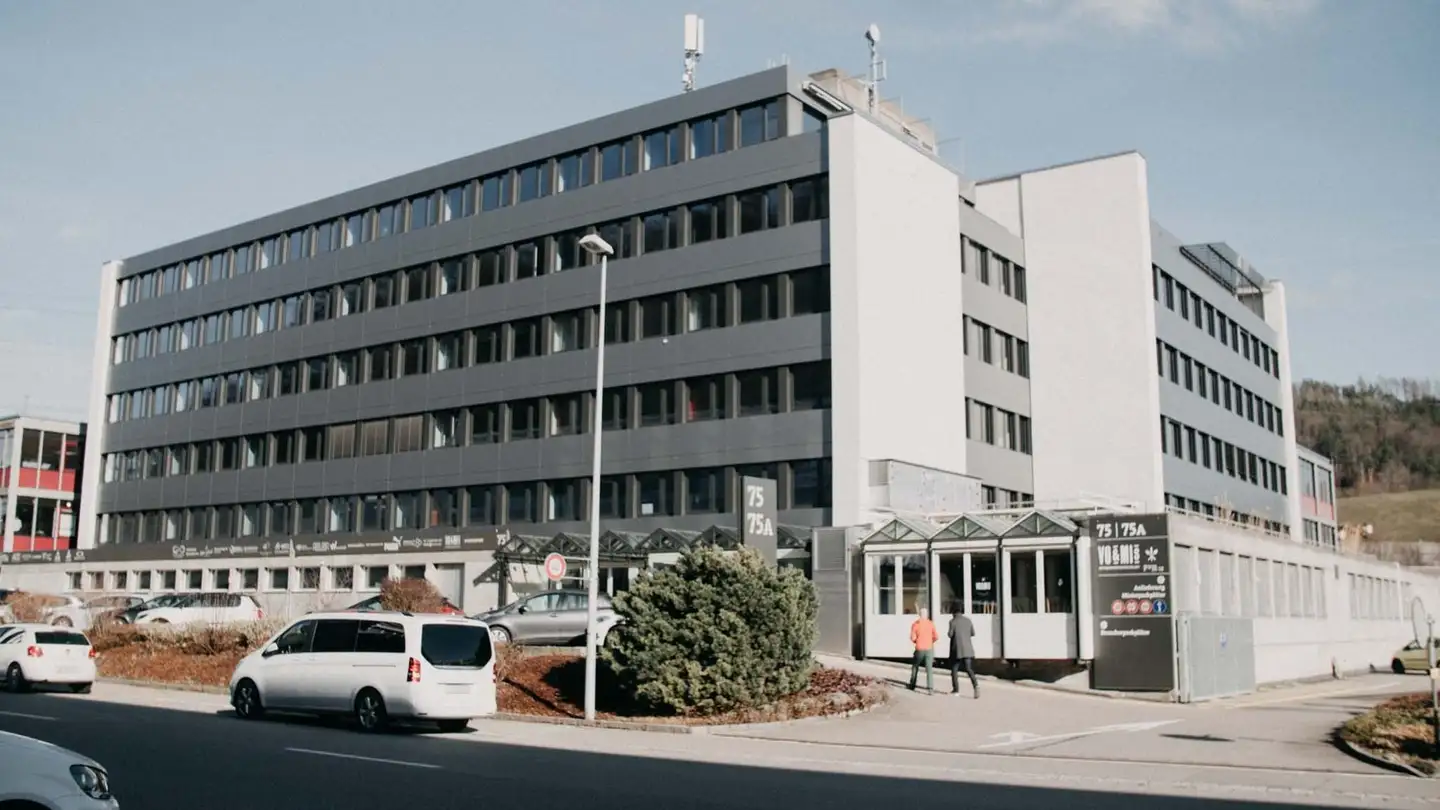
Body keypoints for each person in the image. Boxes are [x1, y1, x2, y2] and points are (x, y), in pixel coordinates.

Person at [948, 604, 979, 698]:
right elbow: (973, 633)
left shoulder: (952, 621)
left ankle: (956, 690)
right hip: (968, 649)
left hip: (957, 650)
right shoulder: (968, 620)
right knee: (969, 669)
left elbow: (950, 634)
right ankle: (976, 685)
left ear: (953, 612)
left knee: (954, 669)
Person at [908, 607, 939, 694]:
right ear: (927, 615)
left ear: (919, 615)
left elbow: (913, 638)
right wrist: (930, 641)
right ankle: (930, 688)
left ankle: (912, 684)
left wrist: (917, 641)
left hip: (919, 648)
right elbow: (936, 637)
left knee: (915, 666)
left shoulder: (915, 624)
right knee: (929, 668)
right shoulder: (931, 624)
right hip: (929, 648)